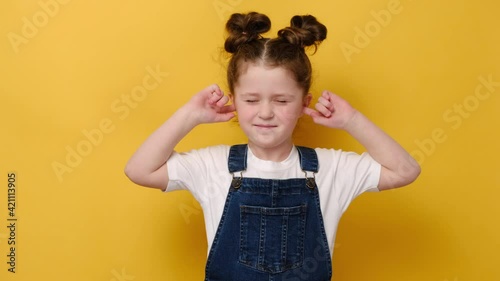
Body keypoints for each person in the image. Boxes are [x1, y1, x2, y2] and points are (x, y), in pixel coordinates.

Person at [125, 12, 421, 281]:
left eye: (281, 100)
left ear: (304, 104)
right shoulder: (212, 166)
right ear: (234, 100)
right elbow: (139, 169)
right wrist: (189, 115)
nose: (265, 112)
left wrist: (352, 120)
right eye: (251, 100)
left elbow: (405, 170)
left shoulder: (330, 169)